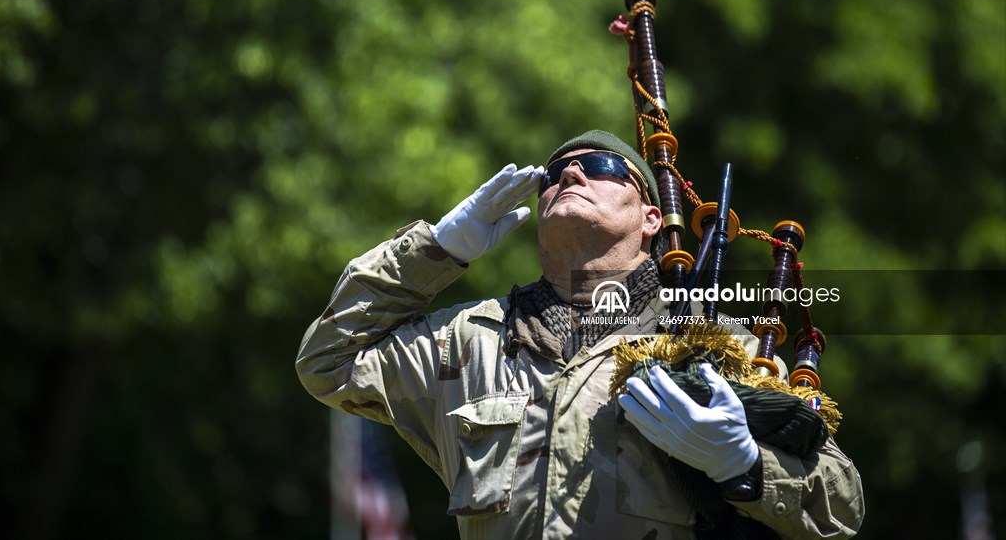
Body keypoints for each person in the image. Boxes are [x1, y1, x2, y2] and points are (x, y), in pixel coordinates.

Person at [297, 130, 864, 539]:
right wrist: (434, 252)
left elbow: (842, 503)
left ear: (650, 220)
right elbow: (327, 361)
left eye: (602, 167)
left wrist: (744, 466)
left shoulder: (712, 345)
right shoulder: (469, 343)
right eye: (555, 175)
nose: (569, 174)